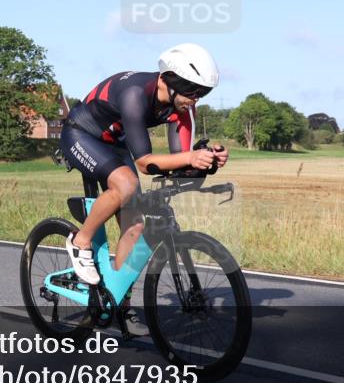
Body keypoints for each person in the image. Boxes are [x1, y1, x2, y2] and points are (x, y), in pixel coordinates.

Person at [61, 43, 229, 285]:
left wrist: (207, 160)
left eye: (201, 94)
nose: (195, 101)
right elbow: (144, 163)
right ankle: (80, 241)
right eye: (192, 93)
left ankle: (117, 298)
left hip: (114, 142)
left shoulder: (182, 107)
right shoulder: (135, 93)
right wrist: (190, 157)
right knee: (126, 184)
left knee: (135, 225)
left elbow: (181, 162)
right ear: (171, 81)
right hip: (81, 134)